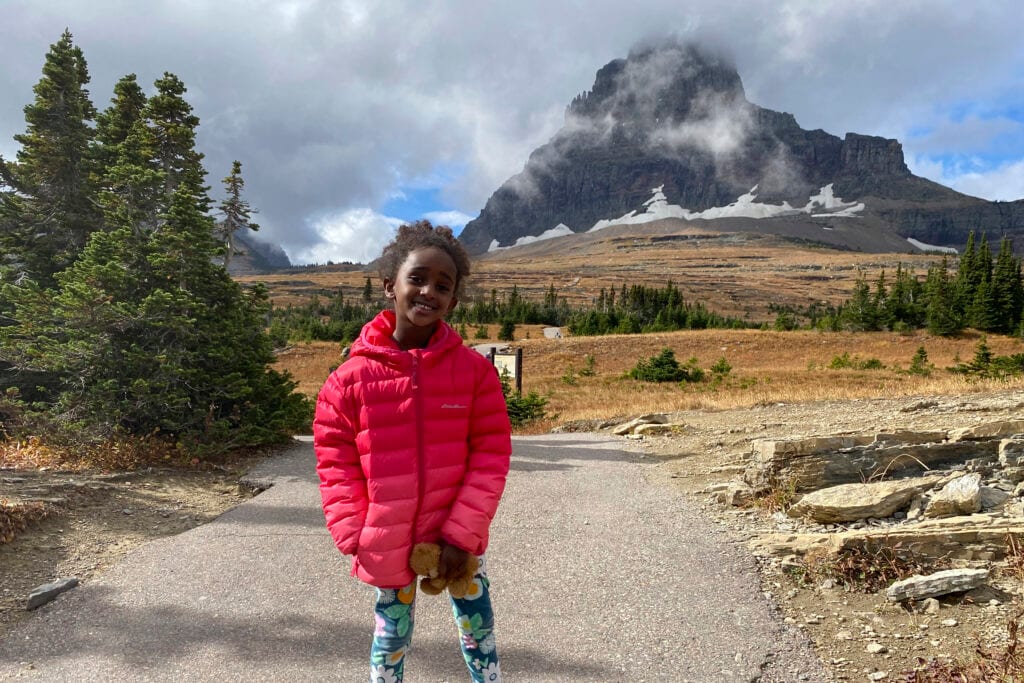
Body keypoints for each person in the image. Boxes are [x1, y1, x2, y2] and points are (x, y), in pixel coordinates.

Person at [314, 220, 512, 683]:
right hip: (385, 536)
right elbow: (334, 460)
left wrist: (461, 535)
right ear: (390, 285)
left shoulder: (474, 374)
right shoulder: (349, 379)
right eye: (417, 278)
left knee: (478, 629)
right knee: (391, 638)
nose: (429, 291)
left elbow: (491, 455)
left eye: (443, 285)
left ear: (454, 301)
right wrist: (353, 532)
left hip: (457, 537)